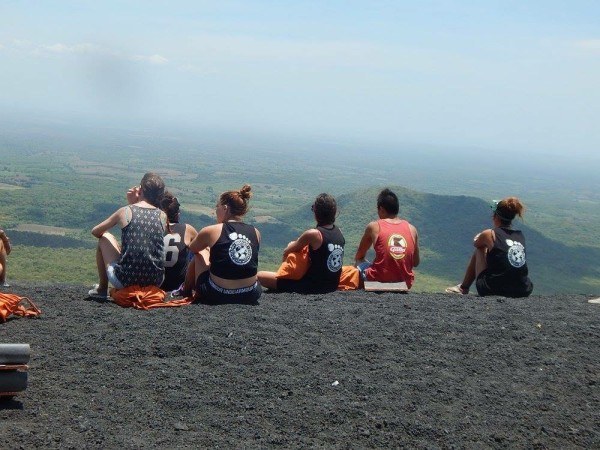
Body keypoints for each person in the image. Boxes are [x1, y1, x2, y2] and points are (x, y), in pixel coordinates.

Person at [88, 172, 167, 299]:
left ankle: (102, 289)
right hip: (156, 281)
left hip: (124, 280)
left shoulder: (125, 211)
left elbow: (95, 231)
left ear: (140, 190)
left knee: (104, 238)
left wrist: (131, 204)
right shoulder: (162, 216)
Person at [445, 197, 533, 297]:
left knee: (480, 249)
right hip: (523, 289)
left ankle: (463, 288)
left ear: (496, 216)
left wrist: (480, 237)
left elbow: (477, 244)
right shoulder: (520, 236)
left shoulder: (489, 234)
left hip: (493, 289)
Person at [258, 193, 345, 294]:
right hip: (332, 285)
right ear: (334, 213)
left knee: (260, 276)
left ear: (316, 212)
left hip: (313, 286)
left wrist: (291, 244)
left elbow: (287, 251)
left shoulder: (314, 234)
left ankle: (284, 277)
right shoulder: (339, 232)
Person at [189, 184, 262, 304]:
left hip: (217, 294)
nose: (215, 211)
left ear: (225, 208)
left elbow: (192, 248)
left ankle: (185, 290)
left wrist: (207, 249)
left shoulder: (211, 230)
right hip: (251, 294)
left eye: (217, 206)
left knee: (199, 252)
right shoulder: (256, 232)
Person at [354, 188, 420, 289]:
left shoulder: (374, 226)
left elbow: (359, 255)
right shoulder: (412, 229)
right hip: (404, 285)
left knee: (359, 262)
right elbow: (415, 262)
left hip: (376, 283)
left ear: (381, 209)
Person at [160, 192, 198, 294]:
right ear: (178, 215)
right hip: (177, 285)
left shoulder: (152, 228)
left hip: (155, 284)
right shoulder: (187, 229)